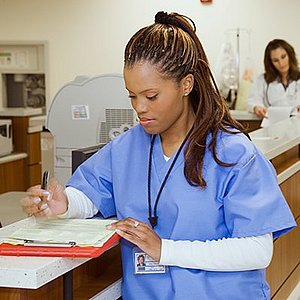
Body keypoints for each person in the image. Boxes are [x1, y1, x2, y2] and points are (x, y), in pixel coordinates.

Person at [21, 12, 296, 299]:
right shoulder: (127, 147)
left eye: (151, 96)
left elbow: (257, 250)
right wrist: (64, 203)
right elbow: (93, 193)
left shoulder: (232, 153)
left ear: (186, 85)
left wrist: (165, 249)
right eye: (132, 96)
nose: (139, 108)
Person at [247, 39, 300, 118]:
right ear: (270, 62)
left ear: (290, 55)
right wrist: (256, 107)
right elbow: (253, 101)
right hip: (271, 125)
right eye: (275, 60)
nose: (281, 63)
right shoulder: (262, 80)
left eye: (283, 57)